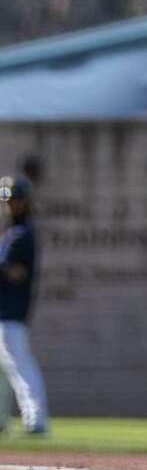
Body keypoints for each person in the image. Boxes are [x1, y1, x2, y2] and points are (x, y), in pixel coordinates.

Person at [0, 176, 48, 435]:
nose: (10, 205)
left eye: (14, 199)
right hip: (3, 312)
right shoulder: (9, 233)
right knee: (3, 371)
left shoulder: (23, 234)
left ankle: (36, 420)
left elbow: (13, 272)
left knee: (20, 366)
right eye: (6, 200)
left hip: (12, 312)